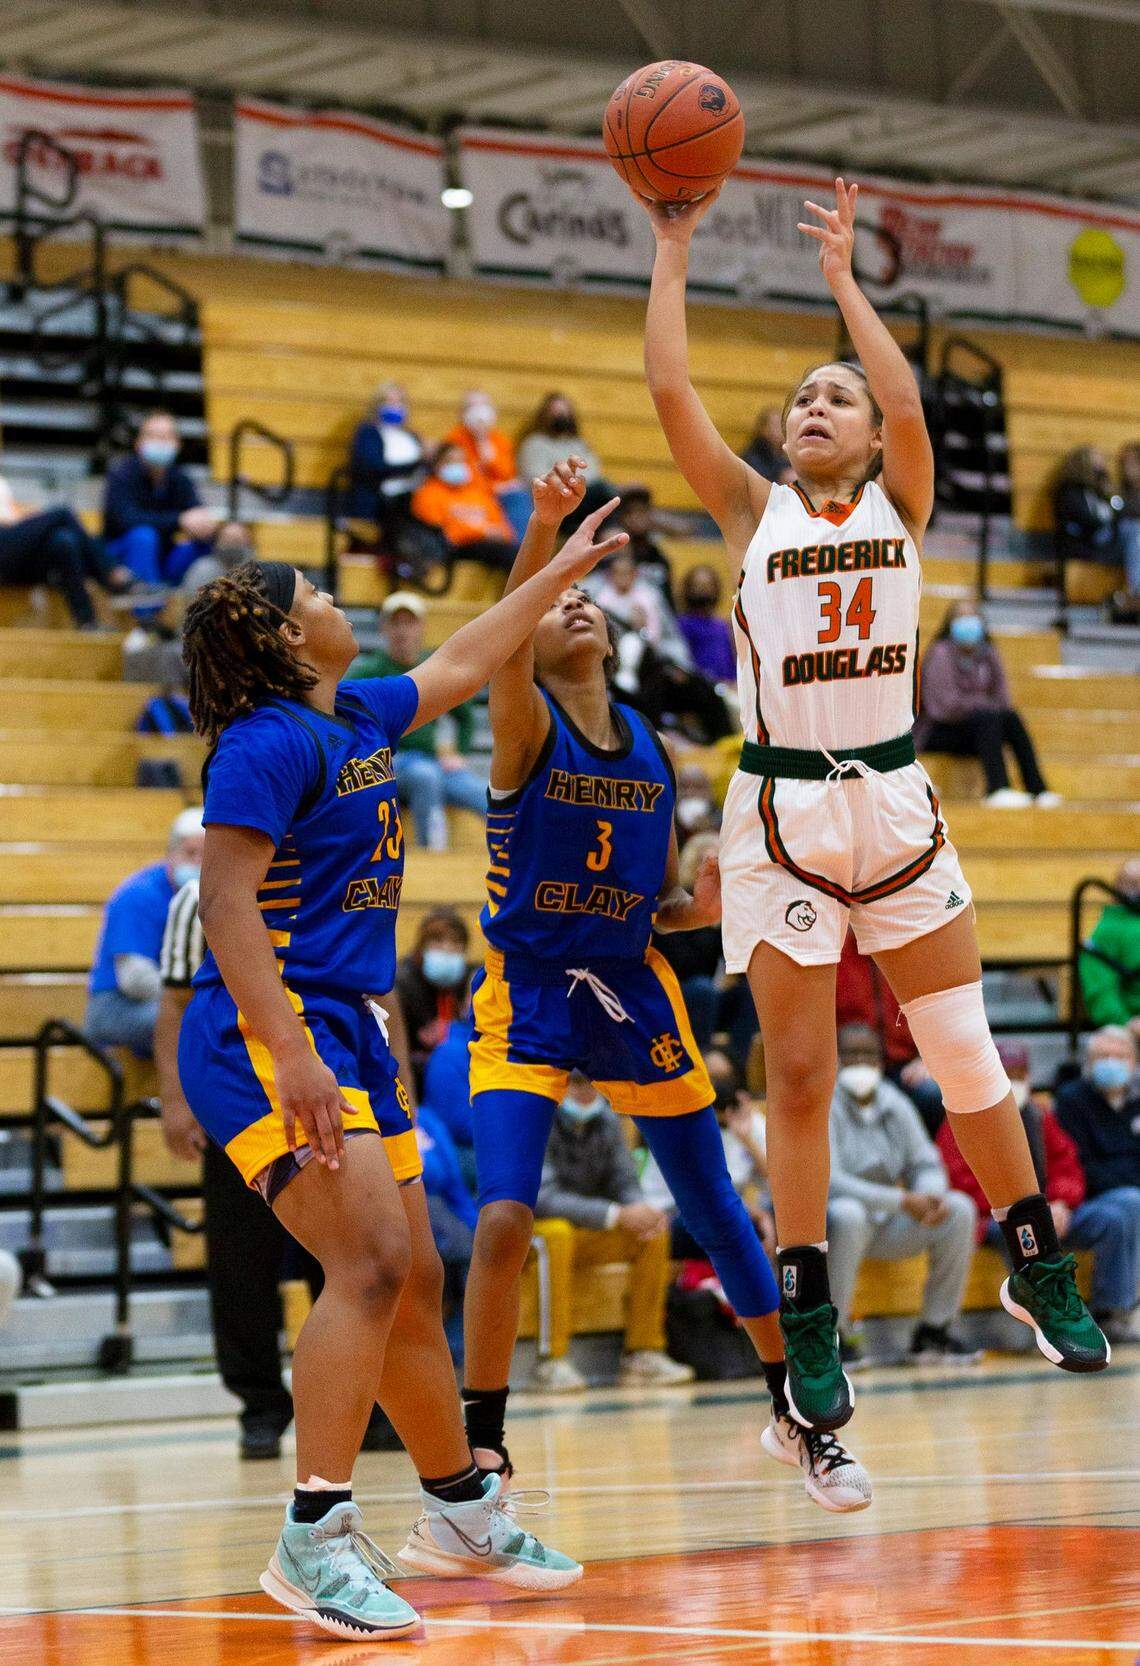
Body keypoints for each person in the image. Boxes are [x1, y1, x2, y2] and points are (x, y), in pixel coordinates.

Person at [636, 173, 1108, 1432]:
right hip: (782, 810)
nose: (815, 407)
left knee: (965, 1057)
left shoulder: (905, 500)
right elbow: (671, 392)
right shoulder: (751, 509)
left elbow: (906, 399)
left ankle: (1036, 1264)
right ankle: (809, 1315)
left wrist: (845, 284)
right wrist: (674, 247)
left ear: (869, 433)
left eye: (832, 397)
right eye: (801, 398)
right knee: (797, 1077)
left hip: (893, 798)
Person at [176, 529, 620, 1633]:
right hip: (267, 1029)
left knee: (415, 1273)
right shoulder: (263, 743)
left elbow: (467, 656)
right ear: (292, 636)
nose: (340, 599)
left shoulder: (359, 713)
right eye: (319, 591)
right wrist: (291, 1050)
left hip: (355, 1027)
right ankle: (312, 1534)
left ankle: (459, 1509)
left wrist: (549, 568)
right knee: (369, 1262)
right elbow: (225, 903)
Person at [460, 458, 871, 1517]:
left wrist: (703, 904)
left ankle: (799, 1415)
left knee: (718, 1205)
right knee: (503, 1218)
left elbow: (655, 908)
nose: (577, 607)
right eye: (557, 605)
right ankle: (480, 1448)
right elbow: (506, 625)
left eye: (589, 600)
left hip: (630, 986)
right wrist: (546, 540)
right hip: (529, 992)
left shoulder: (651, 746)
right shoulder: (524, 722)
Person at [156, 873, 322, 1459]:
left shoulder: (329, 871)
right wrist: (176, 1102)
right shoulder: (194, 900)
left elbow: (384, 1001)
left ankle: (370, 1405)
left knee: (343, 1257)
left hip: (328, 1086)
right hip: (237, 1097)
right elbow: (174, 1005)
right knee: (240, 1262)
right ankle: (260, 1405)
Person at [826, 1024, 981, 1366]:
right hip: (837, 1225)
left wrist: (929, 1197)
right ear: (835, 1060)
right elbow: (831, 1182)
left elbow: (926, 1162)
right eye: (851, 1054)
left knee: (960, 1209)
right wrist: (901, 1201)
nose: (860, 1062)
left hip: (887, 1223)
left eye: (868, 1054)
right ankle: (833, 1335)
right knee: (848, 1213)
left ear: (881, 1061)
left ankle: (934, 1331)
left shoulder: (895, 1102)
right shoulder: (824, 1103)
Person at [532, 1072, 694, 1390]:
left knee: (651, 1233)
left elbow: (625, 1182)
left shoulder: (607, 1120)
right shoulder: (538, 1119)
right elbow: (543, 1199)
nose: (586, 1092)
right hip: (533, 1229)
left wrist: (638, 1210)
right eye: (577, 1084)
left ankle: (643, 1353)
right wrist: (615, 1214)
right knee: (557, 1235)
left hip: (590, 1228)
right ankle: (549, 1362)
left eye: (591, 1083)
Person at [348, 591, 485, 849]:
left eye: (409, 623)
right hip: (391, 762)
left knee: (481, 792)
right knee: (426, 777)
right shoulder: (368, 671)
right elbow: (343, 713)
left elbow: (465, 715)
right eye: (395, 623)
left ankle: (511, 854)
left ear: (421, 627)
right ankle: (431, 854)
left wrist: (460, 753)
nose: (402, 631)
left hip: (432, 760)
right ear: (384, 628)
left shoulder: (430, 668)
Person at [914, 600, 1058, 807]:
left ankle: (1038, 789)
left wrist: (982, 707)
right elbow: (944, 708)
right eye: (961, 617)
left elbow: (1003, 700)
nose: (968, 622)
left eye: (973, 616)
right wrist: (982, 705)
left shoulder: (989, 652)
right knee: (987, 717)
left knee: (1011, 718)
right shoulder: (940, 653)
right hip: (939, 731)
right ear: (950, 623)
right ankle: (998, 788)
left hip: (979, 730)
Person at [85, 808, 204, 1057]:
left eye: (205, 856)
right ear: (171, 853)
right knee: (193, 1022)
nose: (197, 863)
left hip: (169, 999)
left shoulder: (206, 896)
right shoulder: (139, 894)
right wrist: (192, 998)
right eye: (190, 853)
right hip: (116, 1005)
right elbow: (134, 980)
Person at [1055, 1027, 1140, 1344]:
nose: (1111, 1063)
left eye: (1119, 1056)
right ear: (1088, 1062)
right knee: (1130, 1204)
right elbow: (1081, 1166)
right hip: (1088, 1197)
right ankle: (1113, 1310)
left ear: (1134, 1062)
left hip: (1128, 1192)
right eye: (1103, 1056)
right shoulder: (1072, 1100)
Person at [836, 930, 943, 1136]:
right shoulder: (834, 955)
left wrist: (927, 1059)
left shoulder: (911, 952)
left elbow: (937, 1014)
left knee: (932, 1094)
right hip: (851, 1063)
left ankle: (916, 1154)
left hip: (904, 1066)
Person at [103, 411, 224, 589]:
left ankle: (194, 599)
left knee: (200, 546)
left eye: (166, 437)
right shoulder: (121, 474)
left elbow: (195, 513)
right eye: (153, 436)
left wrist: (210, 528)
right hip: (122, 553)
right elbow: (125, 519)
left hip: (163, 554)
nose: (159, 442)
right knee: (144, 536)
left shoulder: (180, 478)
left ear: (177, 444)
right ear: (138, 442)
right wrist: (179, 520)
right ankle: (145, 602)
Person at [0, 476, 135, 627]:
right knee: (62, 514)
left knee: (63, 541)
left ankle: (87, 622)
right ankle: (111, 575)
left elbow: (15, 518)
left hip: (15, 554)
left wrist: (30, 520)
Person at [395, 907, 473, 1096]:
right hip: (413, 1085)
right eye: (437, 941)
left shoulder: (466, 984)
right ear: (421, 947)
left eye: (456, 942)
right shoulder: (401, 986)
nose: (447, 949)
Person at [410, 443, 517, 570]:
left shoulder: (477, 492)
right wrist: (482, 532)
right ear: (437, 466)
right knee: (508, 555)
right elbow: (440, 534)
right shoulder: (427, 494)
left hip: (492, 545)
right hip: (459, 548)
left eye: (462, 461)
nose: (458, 465)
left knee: (521, 553)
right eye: (451, 461)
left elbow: (502, 527)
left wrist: (501, 535)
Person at [516, 393, 615, 528]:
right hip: (553, 501)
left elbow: (594, 472)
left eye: (565, 411)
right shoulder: (534, 443)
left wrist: (576, 483)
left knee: (615, 501)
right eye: (556, 412)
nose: (562, 416)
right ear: (545, 415)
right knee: (605, 493)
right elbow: (535, 477)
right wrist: (570, 484)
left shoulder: (579, 444)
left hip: (583, 497)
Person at [347, 381, 428, 539]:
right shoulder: (368, 433)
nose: (394, 406)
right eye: (389, 401)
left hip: (413, 497)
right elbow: (373, 468)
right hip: (381, 501)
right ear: (377, 405)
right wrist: (413, 466)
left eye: (399, 402)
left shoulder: (411, 436)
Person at [1080, 857, 1140, 1028]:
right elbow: (1100, 988)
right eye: (1132, 884)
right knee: (1109, 1042)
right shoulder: (1107, 931)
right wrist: (1126, 1022)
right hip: (1128, 1023)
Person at [1053, 446, 1122, 570]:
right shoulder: (1070, 490)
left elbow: (1119, 510)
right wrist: (1107, 519)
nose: (1102, 463)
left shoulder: (1100, 490)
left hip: (1101, 542)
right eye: (1097, 459)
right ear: (1083, 462)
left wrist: (1109, 495)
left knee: (1131, 530)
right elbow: (1087, 519)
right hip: (1080, 544)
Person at [677, 563, 736, 685]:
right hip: (700, 687)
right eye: (698, 586)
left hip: (728, 686)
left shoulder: (722, 625)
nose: (703, 590)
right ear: (689, 589)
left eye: (707, 586)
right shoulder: (683, 624)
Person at [615, 484, 674, 601]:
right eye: (630, 512)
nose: (637, 517)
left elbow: (667, 604)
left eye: (642, 511)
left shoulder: (659, 558)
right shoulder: (611, 557)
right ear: (622, 517)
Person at [742, 405, 794, 484]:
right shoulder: (752, 456)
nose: (779, 430)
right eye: (774, 425)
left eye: (781, 425)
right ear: (762, 429)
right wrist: (780, 479)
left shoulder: (784, 451)